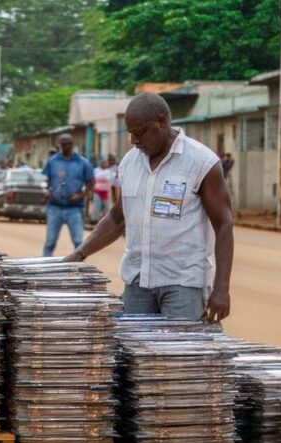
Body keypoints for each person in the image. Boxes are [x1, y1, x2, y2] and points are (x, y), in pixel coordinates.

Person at [63, 92, 233, 322]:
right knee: (135, 355)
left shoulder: (202, 162)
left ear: (161, 122)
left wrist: (221, 288)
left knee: (177, 354)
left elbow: (223, 223)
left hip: (182, 285)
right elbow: (117, 218)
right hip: (137, 283)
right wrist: (79, 253)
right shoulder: (130, 162)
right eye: (130, 133)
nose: (133, 140)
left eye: (139, 132)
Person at [41, 133, 95, 256]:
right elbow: (45, 181)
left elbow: (91, 182)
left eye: (68, 144)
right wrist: (47, 192)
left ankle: (79, 268)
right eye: (63, 144)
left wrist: (81, 195)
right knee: (50, 242)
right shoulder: (52, 161)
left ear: (72, 144)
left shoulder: (82, 162)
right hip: (54, 207)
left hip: (74, 208)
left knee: (78, 242)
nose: (66, 146)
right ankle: (45, 266)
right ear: (60, 145)